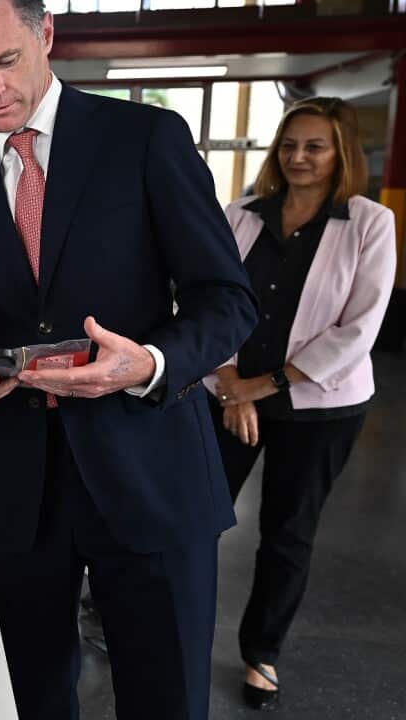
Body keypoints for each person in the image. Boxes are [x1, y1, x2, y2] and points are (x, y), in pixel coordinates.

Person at [0, 1, 258, 718]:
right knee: (30, 700)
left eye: (6, 61)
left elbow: (227, 300)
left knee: (166, 699)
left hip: (150, 469)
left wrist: (151, 363)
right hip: (16, 489)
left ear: (46, 35)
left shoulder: (146, 139)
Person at [208, 97, 396, 711]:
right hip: (228, 391)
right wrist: (229, 380)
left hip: (320, 406)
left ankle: (262, 652)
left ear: (341, 153)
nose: (299, 157)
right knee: (195, 515)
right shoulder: (241, 215)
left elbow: (358, 329)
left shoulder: (368, 222)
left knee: (287, 532)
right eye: (289, 145)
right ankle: (166, 622)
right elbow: (209, 298)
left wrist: (260, 387)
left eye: (315, 147)